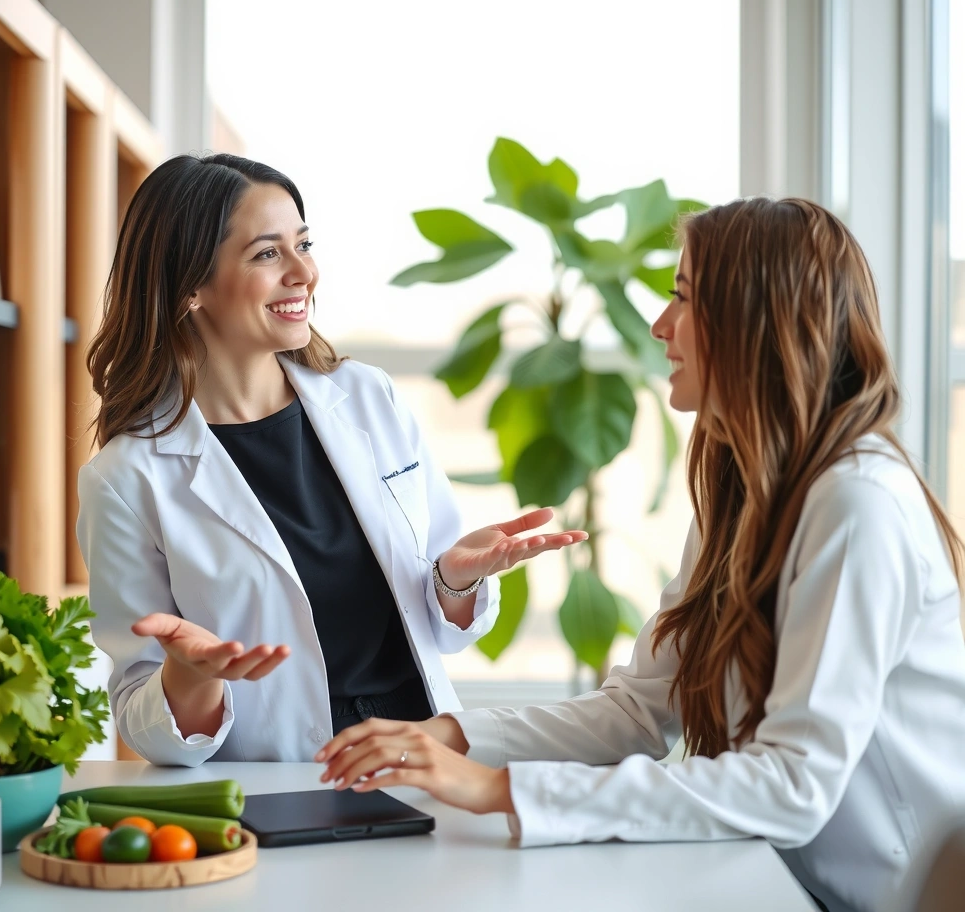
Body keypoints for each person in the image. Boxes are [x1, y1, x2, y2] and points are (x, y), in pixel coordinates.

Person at [316, 197, 965, 912]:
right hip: (778, 878)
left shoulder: (859, 503)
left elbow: (792, 788)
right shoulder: (743, 489)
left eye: (684, 298)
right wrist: (450, 736)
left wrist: (496, 790)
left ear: (756, 324)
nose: (659, 325)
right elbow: (639, 710)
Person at [76, 153, 587, 766]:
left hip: (424, 754)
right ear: (191, 286)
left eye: (304, 244)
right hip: (285, 780)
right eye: (268, 253)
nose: (305, 272)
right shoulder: (129, 478)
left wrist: (456, 577)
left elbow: (447, 623)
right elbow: (142, 720)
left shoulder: (368, 399)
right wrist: (191, 678)